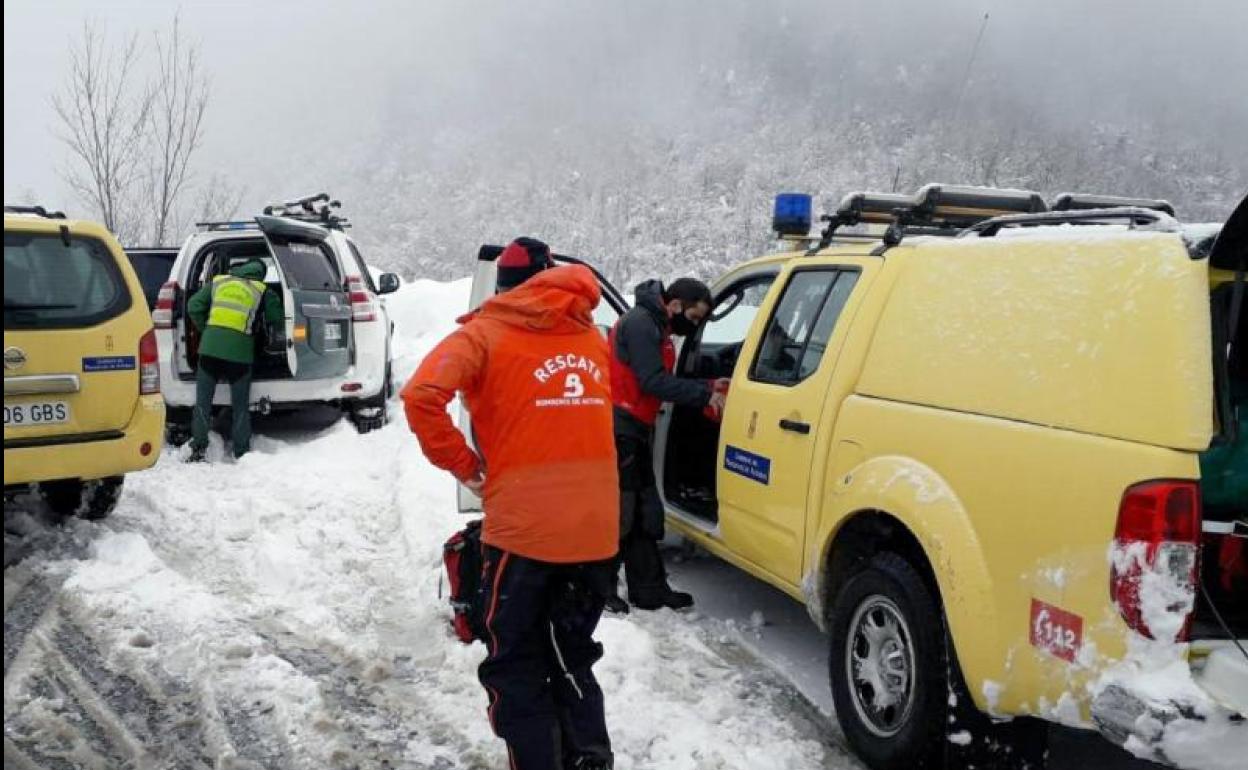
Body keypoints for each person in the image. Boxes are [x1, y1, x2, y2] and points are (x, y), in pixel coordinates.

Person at [402, 237, 618, 770]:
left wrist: (467, 466)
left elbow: (420, 395)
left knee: (516, 663)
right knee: (570, 653)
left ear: (501, 286)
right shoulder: (591, 337)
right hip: (597, 530)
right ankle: (589, 759)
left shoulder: (483, 334)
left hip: (525, 535)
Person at [607, 277, 726, 613]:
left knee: (646, 511)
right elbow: (652, 380)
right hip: (619, 429)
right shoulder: (641, 324)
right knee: (622, 515)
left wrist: (708, 382)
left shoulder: (655, 323)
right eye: (692, 318)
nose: (693, 326)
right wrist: (705, 394)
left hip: (635, 429)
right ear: (674, 305)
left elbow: (656, 376)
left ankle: (649, 590)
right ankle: (600, 589)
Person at [186, 258, 283, 461]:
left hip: (209, 351)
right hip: (239, 355)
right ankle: (241, 452)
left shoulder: (219, 282)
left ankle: (198, 448)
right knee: (240, 408)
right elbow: (277, 319)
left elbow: (193, 305)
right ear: (261, 274)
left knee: (203, 403)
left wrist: (208, 330)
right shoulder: (262, 290)